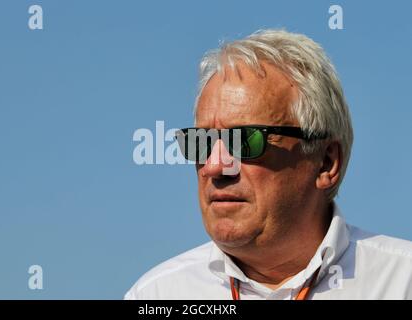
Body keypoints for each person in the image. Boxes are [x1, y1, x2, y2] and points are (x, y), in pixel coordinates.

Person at [125, 29, 412, 299]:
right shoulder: (158, 294)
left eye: (246, 141)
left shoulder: (401, 282)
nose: (214, 166)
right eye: (200, 142)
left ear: (326, 162)